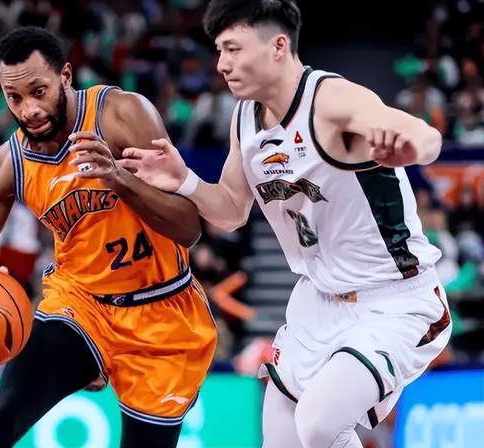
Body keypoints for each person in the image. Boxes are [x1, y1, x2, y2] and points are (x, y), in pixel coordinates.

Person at [119, 1, 452, 447]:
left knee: (318, 424)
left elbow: (426, 136)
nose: (221, 65)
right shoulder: (244, 119)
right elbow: (231, 212)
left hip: (393, 299)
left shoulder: (331, 99)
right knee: (281, 438)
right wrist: (185, 181)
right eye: (218, 51)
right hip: (318, 301)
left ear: (278, 46)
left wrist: (410, 148)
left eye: (233, 48)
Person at [0, 27, 217, 448]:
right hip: (80, 305)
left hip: (162, 308)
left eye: (38, 91)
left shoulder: (122, 115)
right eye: (15, 98)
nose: (29, 109)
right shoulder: (7, 164)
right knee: (3, 416)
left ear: (65, 76)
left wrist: (119, 179)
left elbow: (189, 228)